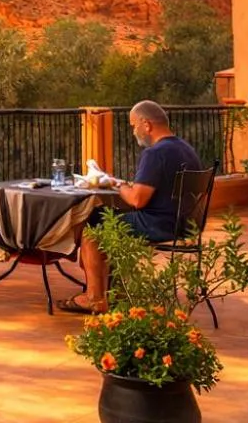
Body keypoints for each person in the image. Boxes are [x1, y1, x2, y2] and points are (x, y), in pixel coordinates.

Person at [57, 100, 204, 314]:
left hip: (159, 224)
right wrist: (119, 183)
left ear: (147, 124)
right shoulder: (186, 149)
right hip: (186, 224)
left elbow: (137, 200)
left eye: (134, 126)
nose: (134, 132)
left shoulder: (155, 153)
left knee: (94, 225)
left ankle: (94, 298)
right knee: (107, 218)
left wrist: (115, 184)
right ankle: (115, 292)